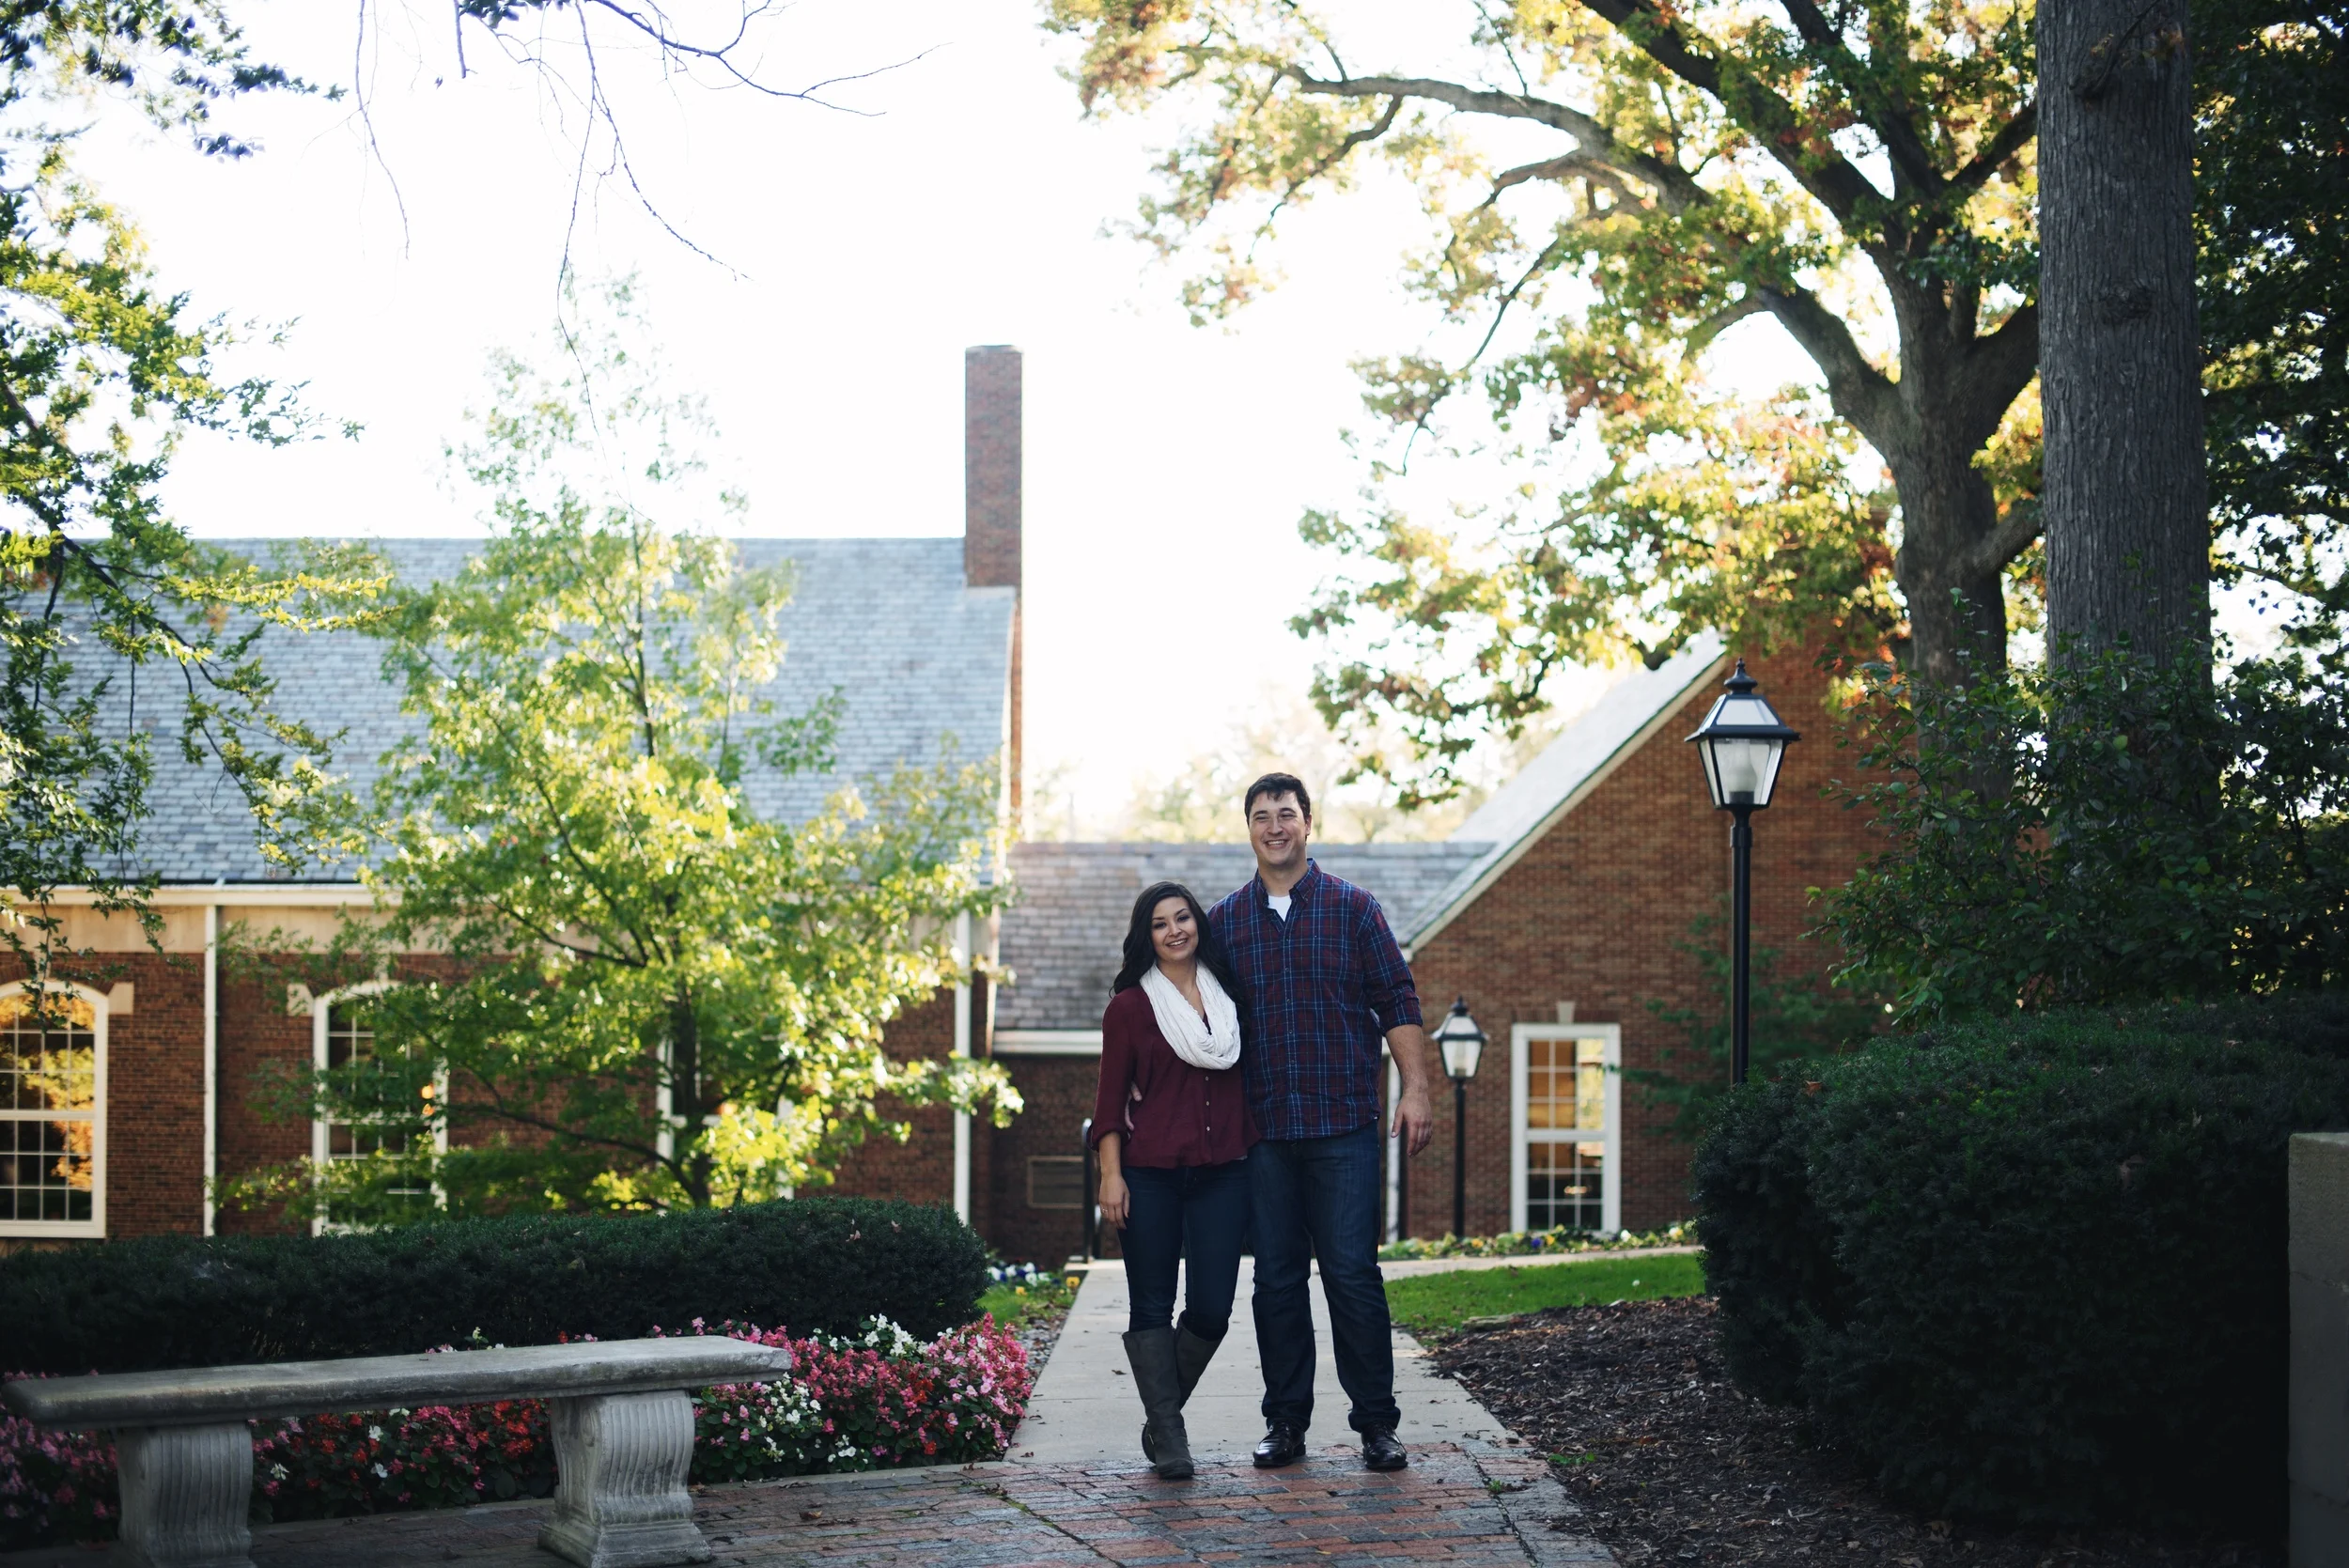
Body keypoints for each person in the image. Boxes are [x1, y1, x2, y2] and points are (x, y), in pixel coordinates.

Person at [1206, 772, 1437, 1473]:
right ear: (1247, 829)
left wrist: (1416, 1089)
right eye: (1261, 816)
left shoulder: (1352, 909)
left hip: (1342, 1127)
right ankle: (1285, 1424)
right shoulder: (1223, 924)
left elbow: (1397, 998)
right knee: (1276, 1281)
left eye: (1286, 813)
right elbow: (1197, 1019)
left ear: (1309, 823)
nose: (1274, 826)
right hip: (1265, 1132)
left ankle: (1376, 1425)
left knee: (1351, 1275)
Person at [1090, 879, 1258, 1481]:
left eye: (1182, 918)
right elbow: (1110, 1103)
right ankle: (1172, 1437)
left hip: (1223, 1174)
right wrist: (1112, 1177)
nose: (1174, 930)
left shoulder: (1230, 999)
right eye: (1160, 924)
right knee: (1152, 1304)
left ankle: (1161, 1417)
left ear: (1198, 925)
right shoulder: (1131, 1007)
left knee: (1211, 1308)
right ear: (1147, 937)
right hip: (1150, 1174)